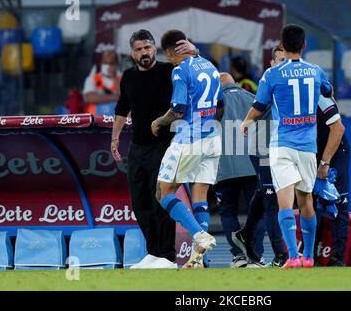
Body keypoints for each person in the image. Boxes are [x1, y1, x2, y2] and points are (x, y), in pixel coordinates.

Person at [240, 24, 333, 269]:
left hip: (282, 145)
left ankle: (293, 257)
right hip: (308, 146)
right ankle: (310, 257)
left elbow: (259, 106)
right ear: (304, 45)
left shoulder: (272, 75)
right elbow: (328, 90)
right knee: (306, 202)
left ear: (282, 43)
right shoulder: (315, 71)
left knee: (285, 202)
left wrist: (246, 123)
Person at [111, 29, 197, 269]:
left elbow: (198, 72)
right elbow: (121, 108)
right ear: (132, 53)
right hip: (137, 147)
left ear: (154, 49)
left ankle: (167, 256)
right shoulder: (128, 77)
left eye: (147, 48)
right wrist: (114, 139)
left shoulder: (170, 71)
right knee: (140, 202)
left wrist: (194, 51)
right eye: (139, 50)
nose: (144, 53)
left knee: (161, 199)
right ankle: (153, 252)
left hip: (164, 145)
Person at [151, 29, 224, 269]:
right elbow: (220, 106)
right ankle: (197, 260)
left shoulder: (180, 70)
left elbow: (179, 109)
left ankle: (199, 235)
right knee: (200, 197)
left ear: (171, 52)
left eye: (168, 55)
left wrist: (159, 121)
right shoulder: (211, 67)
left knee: (164, 192)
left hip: (189, 139)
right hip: (213, 138)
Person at [231, 47, 288, 268]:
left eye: (288, 59)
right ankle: (281, 254)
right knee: (272, 198)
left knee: (264, 192)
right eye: (281, 60)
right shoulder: (269, 80)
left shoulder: (288, 81)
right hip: (263, 147)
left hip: (280, 147)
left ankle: (245, 234)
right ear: (272, 62)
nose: (285, 64)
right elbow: (257, 109)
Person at [215, 72, 266, 268]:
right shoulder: (253, 100)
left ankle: (239, 256)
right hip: (253, 167)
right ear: (235, 83)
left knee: (228, 212)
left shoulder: (214, 103)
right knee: (258, 213)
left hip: (224, 168)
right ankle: (256, 255)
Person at [315, 94, 350, 267]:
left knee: (338, 202)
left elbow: (338, 129)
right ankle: (309, 256)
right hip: (312, 153)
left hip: (335, 154)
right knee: (310, 204)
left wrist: (325, 162)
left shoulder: (321, 99)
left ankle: (338, 258)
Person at [83, 50, 121, 115]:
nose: (108, 66)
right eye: (105, 63)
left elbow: (126, 98)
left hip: (116, 120)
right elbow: (90, 98)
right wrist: (114, 97)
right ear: (101, 63)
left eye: (111, 64)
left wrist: (115, 77)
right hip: (95, 120)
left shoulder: (122, 78)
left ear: (116, 65)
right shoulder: (92, 78)